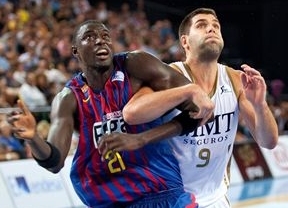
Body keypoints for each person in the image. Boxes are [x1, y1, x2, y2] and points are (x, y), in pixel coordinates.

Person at [6, 20, 216, 208]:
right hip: (109, 199)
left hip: (162, 190)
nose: (100, 41)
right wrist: (33, 139)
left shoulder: (136, 64)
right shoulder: (68, 98)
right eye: (90, 37)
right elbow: (54, 162)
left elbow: (200, 109)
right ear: (75, 51)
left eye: (105, 36)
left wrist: (140, 139)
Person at [98, 8, 279, 208]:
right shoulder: (168, 75)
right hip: (173, 198)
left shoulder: (236, 79)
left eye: (215, 26)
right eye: (202, 25)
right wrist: (188, 91)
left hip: (216, 197)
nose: (211, 29)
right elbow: (132, 113)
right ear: (185, 41)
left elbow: (268, 141)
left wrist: (260, 104)